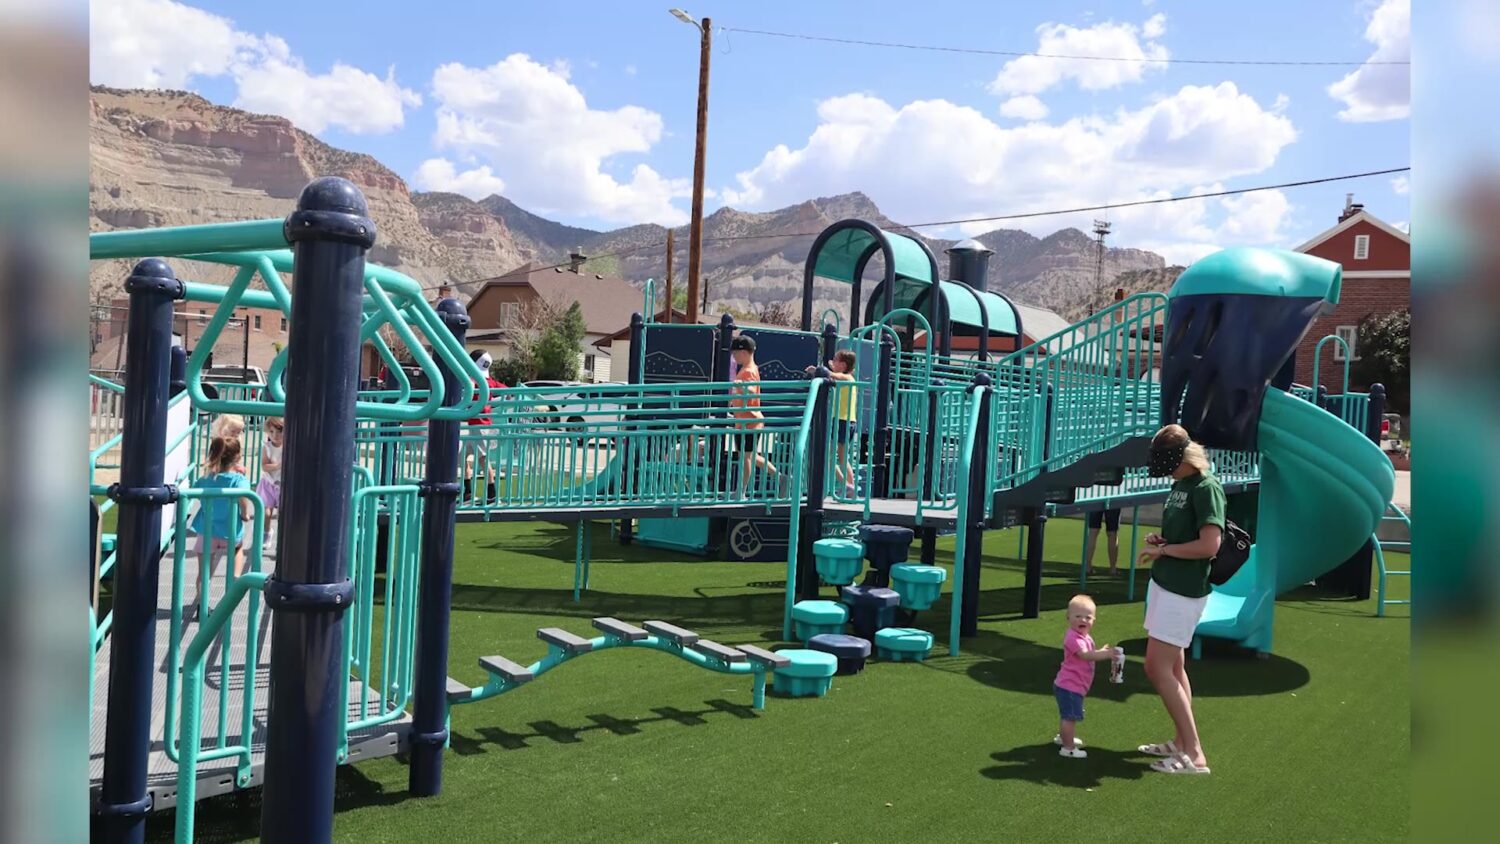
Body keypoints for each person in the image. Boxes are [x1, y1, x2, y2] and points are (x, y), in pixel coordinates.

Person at [1136, 423, 1224, 775]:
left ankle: (1195, 753)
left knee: (1155, 667)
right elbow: (1186, 535)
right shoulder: (1181, 485)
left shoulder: (1206, 488)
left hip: (1183, 590)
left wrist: (1167, 550)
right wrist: (1165, 541)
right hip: (1167, 584)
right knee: (1174, 667)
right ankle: (1181, 742)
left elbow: (1209, 545)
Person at [188, 436, 253, 619]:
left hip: (206, 530)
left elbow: (196, 492)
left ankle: (202, 604)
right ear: (238, 456)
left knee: (204, 572)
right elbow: (243, 499)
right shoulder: (238, 481)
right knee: (237, 550)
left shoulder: (206, 479)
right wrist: (245, 513)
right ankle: (234, 583)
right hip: (229, 530)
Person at [1053, 594, 1122, 758]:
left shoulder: (1084, 636)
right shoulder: (1073, 637)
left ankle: (1064, 737)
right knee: (1070, 716)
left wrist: (1100, 651)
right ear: (1068, 617)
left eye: (1088, 617)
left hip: (1073, 685)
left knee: (1069, 714)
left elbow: (1090, 652)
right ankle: (1068, 748)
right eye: (1078, 616)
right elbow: (1085, 655)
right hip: (1070, 685)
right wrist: (1105, 654)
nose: (1083, 620)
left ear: (1093, 621)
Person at [729, 334, 782, 497]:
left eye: (735, 354)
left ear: (743, 352)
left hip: (749, 421)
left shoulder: (748, 371)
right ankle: (780, 477)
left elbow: (751, 390)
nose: (734, 356)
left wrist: (741, 387)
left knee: (746, 457)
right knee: (749, 455)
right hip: (743, 420)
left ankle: (741, 491)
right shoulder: (748, 369)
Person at [807, 348, 859, 497]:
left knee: (836, 457)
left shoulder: (848, 378)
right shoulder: (841, 377)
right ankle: (849, 486)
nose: (832, 361)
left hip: (843, 421)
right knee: (836, 457)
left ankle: (849, 486)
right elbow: (834, 374)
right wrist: (829, 367)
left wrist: (820, 370)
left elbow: (834, 375)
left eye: (835, 359)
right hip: (843, 420)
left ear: (843, 365)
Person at [464, 350, 507, 501]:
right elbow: (508, 392)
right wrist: (493, 403)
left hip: (479, 425)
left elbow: (465, 399)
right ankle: (467, 493)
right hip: (479, 425)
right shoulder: (489, 381)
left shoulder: (472, 380)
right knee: (462, 456)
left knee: (483, 459)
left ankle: (492, 495)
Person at [257, 417, 284, 544]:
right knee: (266, 513)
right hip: (269, 483)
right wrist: (277, 466)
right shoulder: (266, 448)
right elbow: (264, 466)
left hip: (283, 484)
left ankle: (281, 539)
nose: (276, 435)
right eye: (272, 432)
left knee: (282, 515)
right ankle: (267, 533)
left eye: (280, 431)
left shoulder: (289, 446)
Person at [1084, 507, 1122, 577]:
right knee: (1112, 533)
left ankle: (1087, 567)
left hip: (1096, 499)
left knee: (1093, 531)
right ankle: (1113, 569)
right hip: (1112, 499)